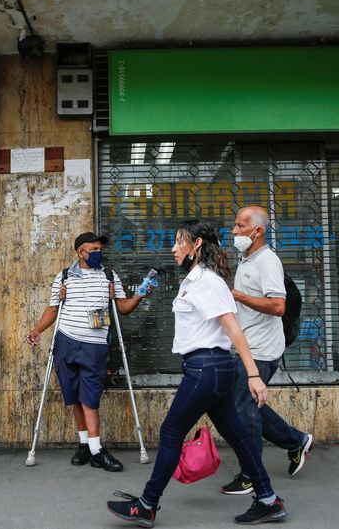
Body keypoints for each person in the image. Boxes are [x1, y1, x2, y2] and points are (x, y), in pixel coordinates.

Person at [106, 219, 287, 527]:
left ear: (196, 245)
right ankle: (269, 500)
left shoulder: (208, 281)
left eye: (179, 242)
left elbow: (234, 329)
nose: (173, 248)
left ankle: (147, 505)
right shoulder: (193, 280)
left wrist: (254, 375)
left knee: (171, 432)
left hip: (207, 369)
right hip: (208, 369)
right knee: (238, 435)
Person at [26, 232, 155, 472]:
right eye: (92, 250)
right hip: (65, 342)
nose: (97, 253)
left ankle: (97, 451)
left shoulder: (109, 275)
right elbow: (53, 309)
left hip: (94, 346)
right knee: (74, 396)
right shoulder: (64, 277)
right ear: (80, 252)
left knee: (90, 398)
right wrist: (37, 330)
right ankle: (85, 444)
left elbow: (123, 308)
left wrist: (140, 294)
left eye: (99, 249)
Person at [220, 206, 313, 496]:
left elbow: (277, 306)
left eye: (239, 226)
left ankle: (251, 475)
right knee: (245, 406)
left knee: (242, 411)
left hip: (262, 351)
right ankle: (295, 440)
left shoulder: (268, 262)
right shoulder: (248, 259)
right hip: (249, 347)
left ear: (257, 231)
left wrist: (238, 295)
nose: (234, 231)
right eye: (234, 226)